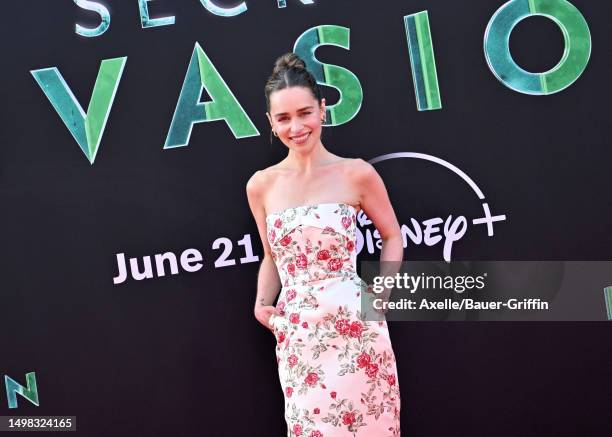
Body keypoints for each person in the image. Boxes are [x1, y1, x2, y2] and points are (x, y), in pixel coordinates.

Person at [246, 52, 402, 436]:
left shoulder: (356, 173)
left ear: (323, 110)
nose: (296, 127)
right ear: (270, 122)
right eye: (283, 118)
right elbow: (271, 257)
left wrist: (379, 295)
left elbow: (393, 236)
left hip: (357, 329)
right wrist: (262, 305)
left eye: (304, 113)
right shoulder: (261, 185)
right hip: (300, 336)